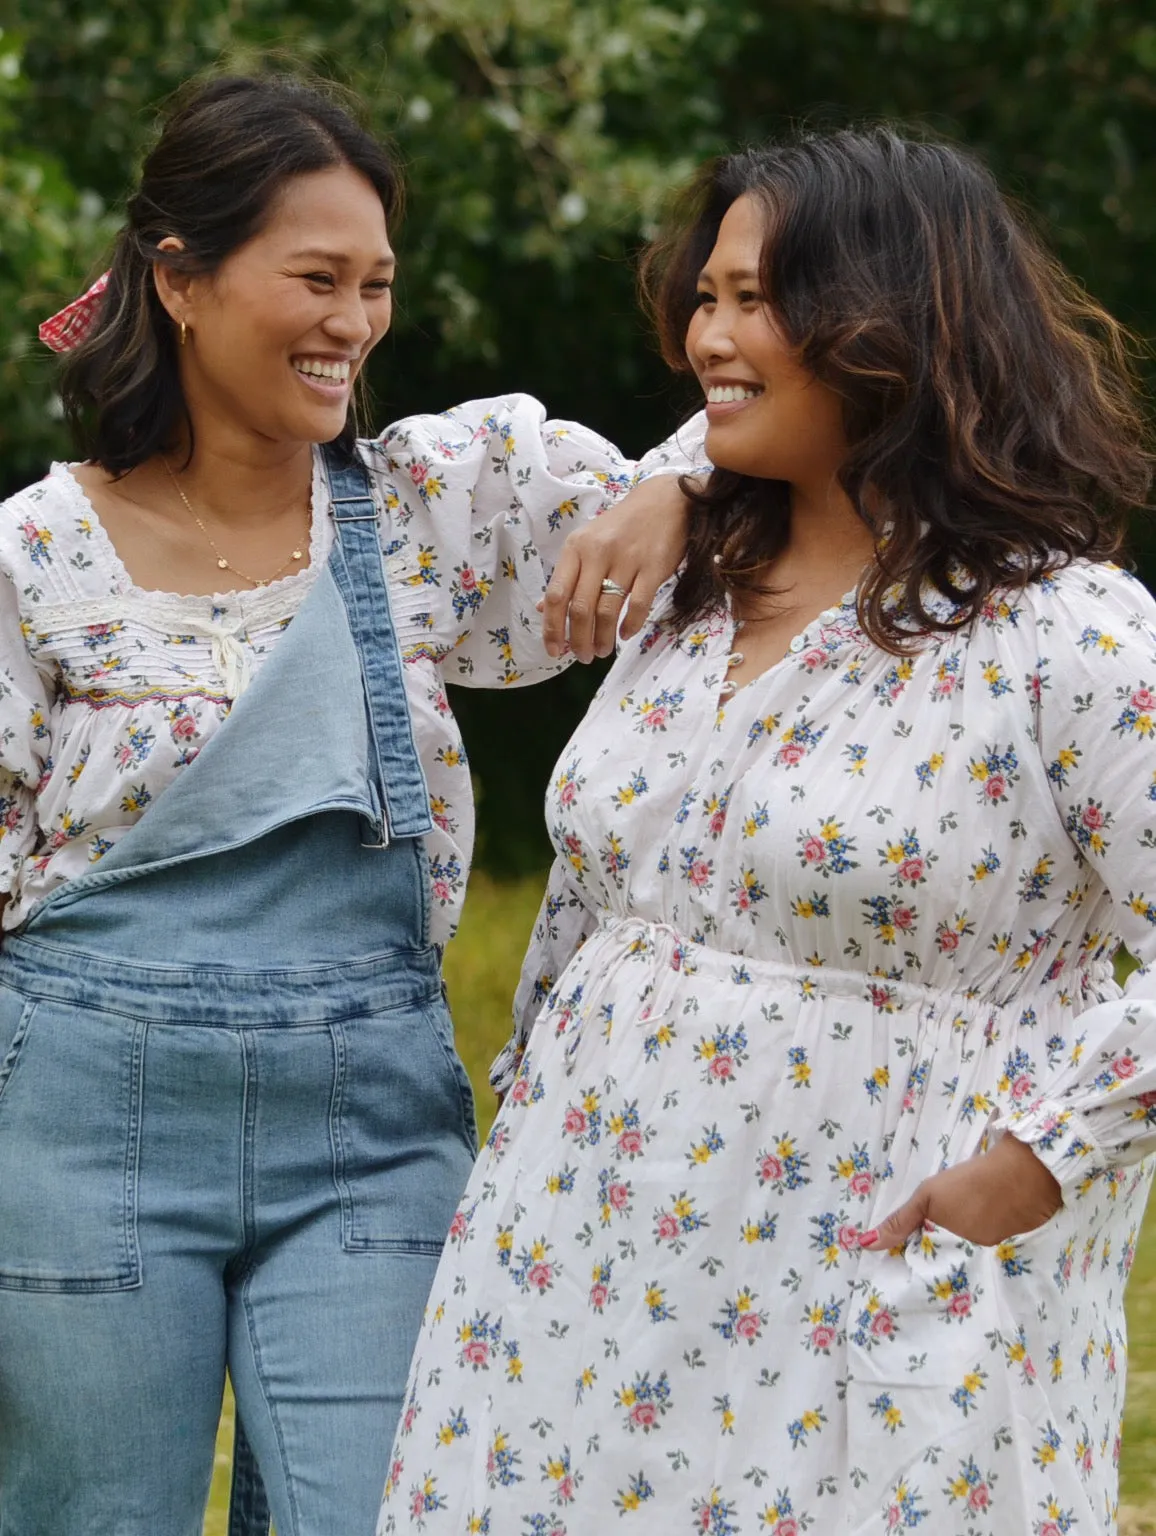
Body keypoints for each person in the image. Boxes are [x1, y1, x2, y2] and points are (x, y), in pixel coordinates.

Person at [377, 126, 1156, 1536]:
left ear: (890, 328)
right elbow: (594, 908)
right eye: (707, 295)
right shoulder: (680, 593)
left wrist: (1045, 1153)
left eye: (755, 300)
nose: (707, 337)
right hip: (574, 1271)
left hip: (868, 1289)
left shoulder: (1063, 639)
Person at [0, 74, 703, 1536]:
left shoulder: (437, 505)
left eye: (375, 284)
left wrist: (677, 486)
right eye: (315, 278)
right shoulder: (33, 558)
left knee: (392, 1507)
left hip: (368, 1125)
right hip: (79, 1127)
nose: (354, 322)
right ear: (180, 282)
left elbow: (734, 483)